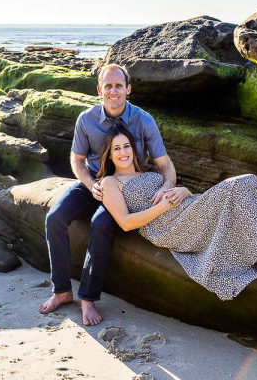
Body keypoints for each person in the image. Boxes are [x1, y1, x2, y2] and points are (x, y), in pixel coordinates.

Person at [97, 125, 257, 300]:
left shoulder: (145, 172)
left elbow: (177, 192)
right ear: (108, 155)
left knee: (249, 181)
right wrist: (161, 207)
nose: (123, 152)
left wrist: (183, 191)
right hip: (169, 226)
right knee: (237, 186)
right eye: (117, 148)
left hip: (189, 208)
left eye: (126, 146)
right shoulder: (110, 182)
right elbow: (125, 222)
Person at [38, 64, 177, 325]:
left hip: (125, 188)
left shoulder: (143, 120)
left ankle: (88, 298)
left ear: (128, 89)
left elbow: (165, 164)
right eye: (108, 86)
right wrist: (91, 185)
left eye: (119, 86)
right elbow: (77, 160)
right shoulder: (86, 119)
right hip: (94, 181)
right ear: (100, 90)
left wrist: (166, 186)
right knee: (54, 218)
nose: (114, 91)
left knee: (100, 224)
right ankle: (62, 291)